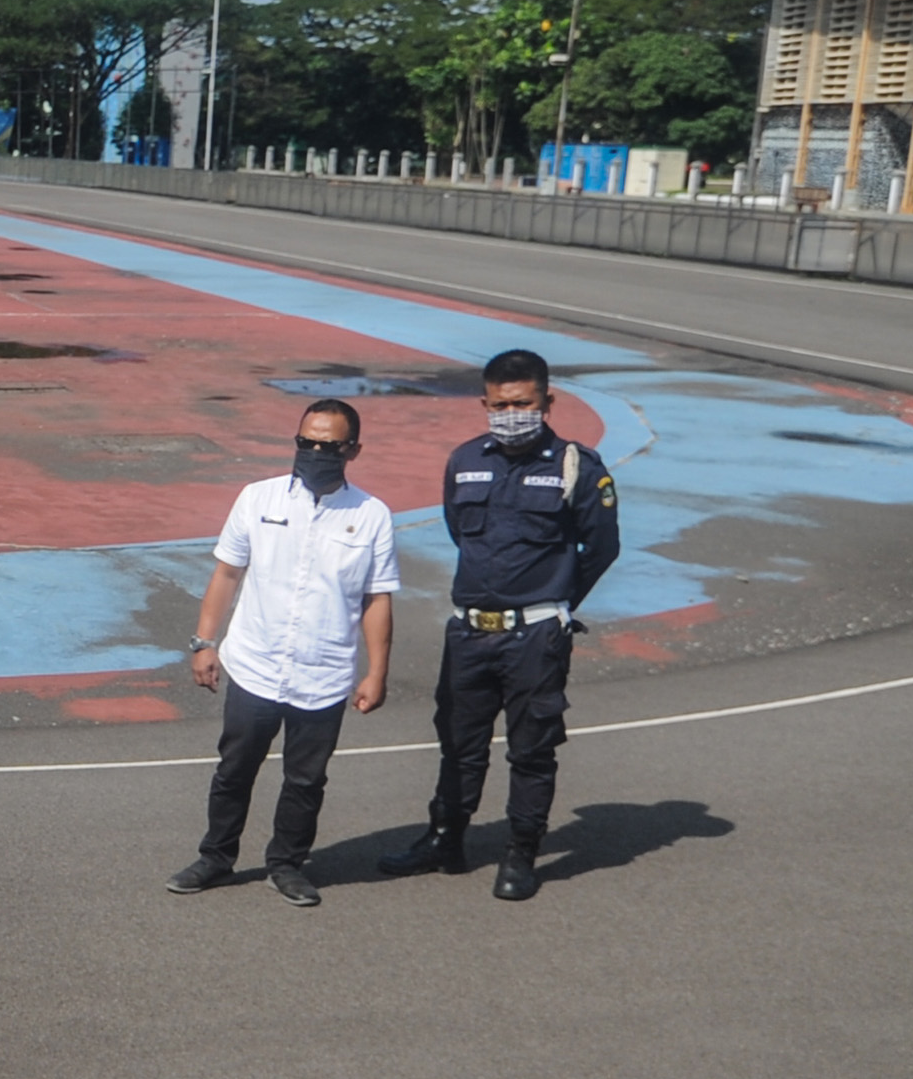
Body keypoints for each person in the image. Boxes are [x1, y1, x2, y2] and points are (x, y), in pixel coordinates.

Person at [381, 349, 621, 900]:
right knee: (458, 743)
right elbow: (459, 533)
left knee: (531, 748)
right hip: (469, 632)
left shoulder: (574, 466)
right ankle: (446, 838)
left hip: (535, 635)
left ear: (547, 402)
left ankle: (521, 851)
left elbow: (602, 546)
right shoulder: (465, 459)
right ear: (485, 403)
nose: (512, 412)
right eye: (500, 404)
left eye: (524, 403)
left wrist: (558, 603)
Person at [169, 397, 397, 907]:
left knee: (305, 778)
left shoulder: (372, 516)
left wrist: (376, 671)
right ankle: (216, 856)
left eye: (328, 446)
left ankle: (287, 863)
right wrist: (205, 643)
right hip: (255, 664)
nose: (315, 453)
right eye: (305, 443)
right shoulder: (258, 499)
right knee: (234, 768)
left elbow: (376, 599)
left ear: (353, 450)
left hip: (324, 673)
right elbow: (227, 574)